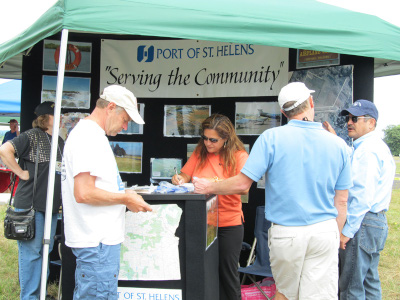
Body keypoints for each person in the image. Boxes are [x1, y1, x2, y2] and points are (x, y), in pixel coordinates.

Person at [193, 82, 353, 300]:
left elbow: (241, 184)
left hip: (287, 233)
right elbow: (342, 201)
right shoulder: (338, 144)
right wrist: (336, 234)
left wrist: (208, 186)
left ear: (282, 112)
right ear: (311, 103)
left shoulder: (271, 138)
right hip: (325, 231)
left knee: (285, 295)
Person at [62, 85, 152, 299]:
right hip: (97, 243)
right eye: (125, 119)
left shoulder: (90, 135)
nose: (124, 126)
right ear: (111, 107)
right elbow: (83, 193)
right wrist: (125, 198)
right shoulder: (88, 137)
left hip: (98, 243)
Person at [324, 100, 395, 299]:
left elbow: (362, 196)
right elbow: (350, 155)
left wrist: (347, 231)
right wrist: (336, 139)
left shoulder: (368, 151)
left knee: (351, 288)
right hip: (374, 222)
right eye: (348, 118)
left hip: (362, 222)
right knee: (369, 282)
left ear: (371, 123)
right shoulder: (369, 147)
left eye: (355, 118)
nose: (349, 122)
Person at [172, 113, 248, 300]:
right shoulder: (200, 153)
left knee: (227, 274)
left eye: (213, 140)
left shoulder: (240, 156)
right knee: (202, 273)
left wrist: (213, 185)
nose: (207, 143)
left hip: (228, 224)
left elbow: (243, 188)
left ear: (226, 138)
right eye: (204, 138)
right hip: (201, 223)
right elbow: (185, 175)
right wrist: (179, 179)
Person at [0, 101, 64, 300]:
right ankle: (29, 297)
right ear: (45, 118)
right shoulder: (31, 136)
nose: (61, 117)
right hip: (30, 207)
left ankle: (40, 295)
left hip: (50, 207)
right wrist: (19, 172)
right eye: (57, 114)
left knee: (45, 251)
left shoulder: (59, 140)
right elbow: (4, 150)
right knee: (31, 254)